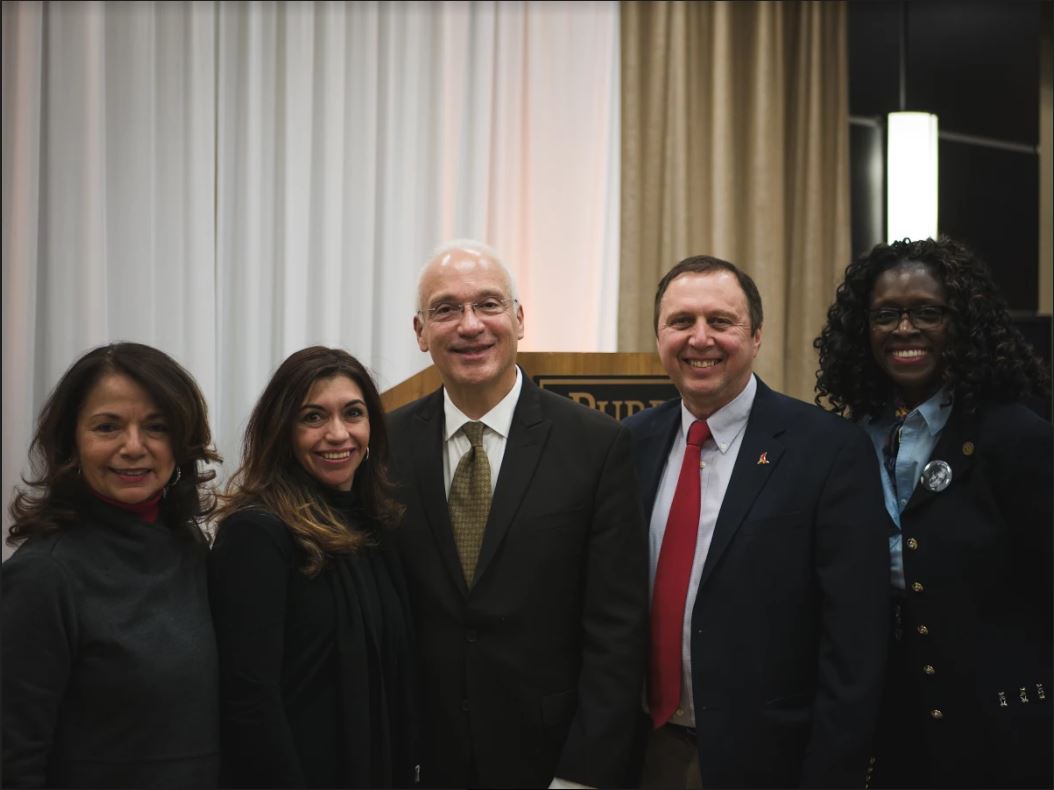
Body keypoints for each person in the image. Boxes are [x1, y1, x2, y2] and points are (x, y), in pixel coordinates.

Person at [386, 240, 648, 788]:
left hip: (552, 760)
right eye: (446, 309)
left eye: (488, 304)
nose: (470, 325)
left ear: (520, 319)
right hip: (419, 760)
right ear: (419, 332)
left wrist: (583, 773)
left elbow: (616, 631)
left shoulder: (595, 445)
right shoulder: (383, 446)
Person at [622, 255, 890, 788]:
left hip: (773, 762)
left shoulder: (828, 450)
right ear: (658, 336)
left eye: (721, 322)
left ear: (757, 335)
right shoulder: (629, 443)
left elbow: (856, 642)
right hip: (643, 753)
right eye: (681, 322)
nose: (700, 339)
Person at [814, 237, 1053, 788]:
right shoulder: (849, 439)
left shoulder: (1017, 437)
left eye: (928, 312)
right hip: (893, 727)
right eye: (886, 315)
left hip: (1003, 734)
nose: (905, 329)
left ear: (963, 322)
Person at [2, 342, 222, 788]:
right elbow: (13, 763)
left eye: (157, 428)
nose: (133, 447)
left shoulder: (188, 543)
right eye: (107, 427)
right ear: (71, 441)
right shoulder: (43, 575)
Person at [207, 346, 418, 788]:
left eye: (353, 414)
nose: (338, 434)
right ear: (282, 430)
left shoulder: (377, 527)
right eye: (313, 417)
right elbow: (249, 701)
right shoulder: (257, 534)